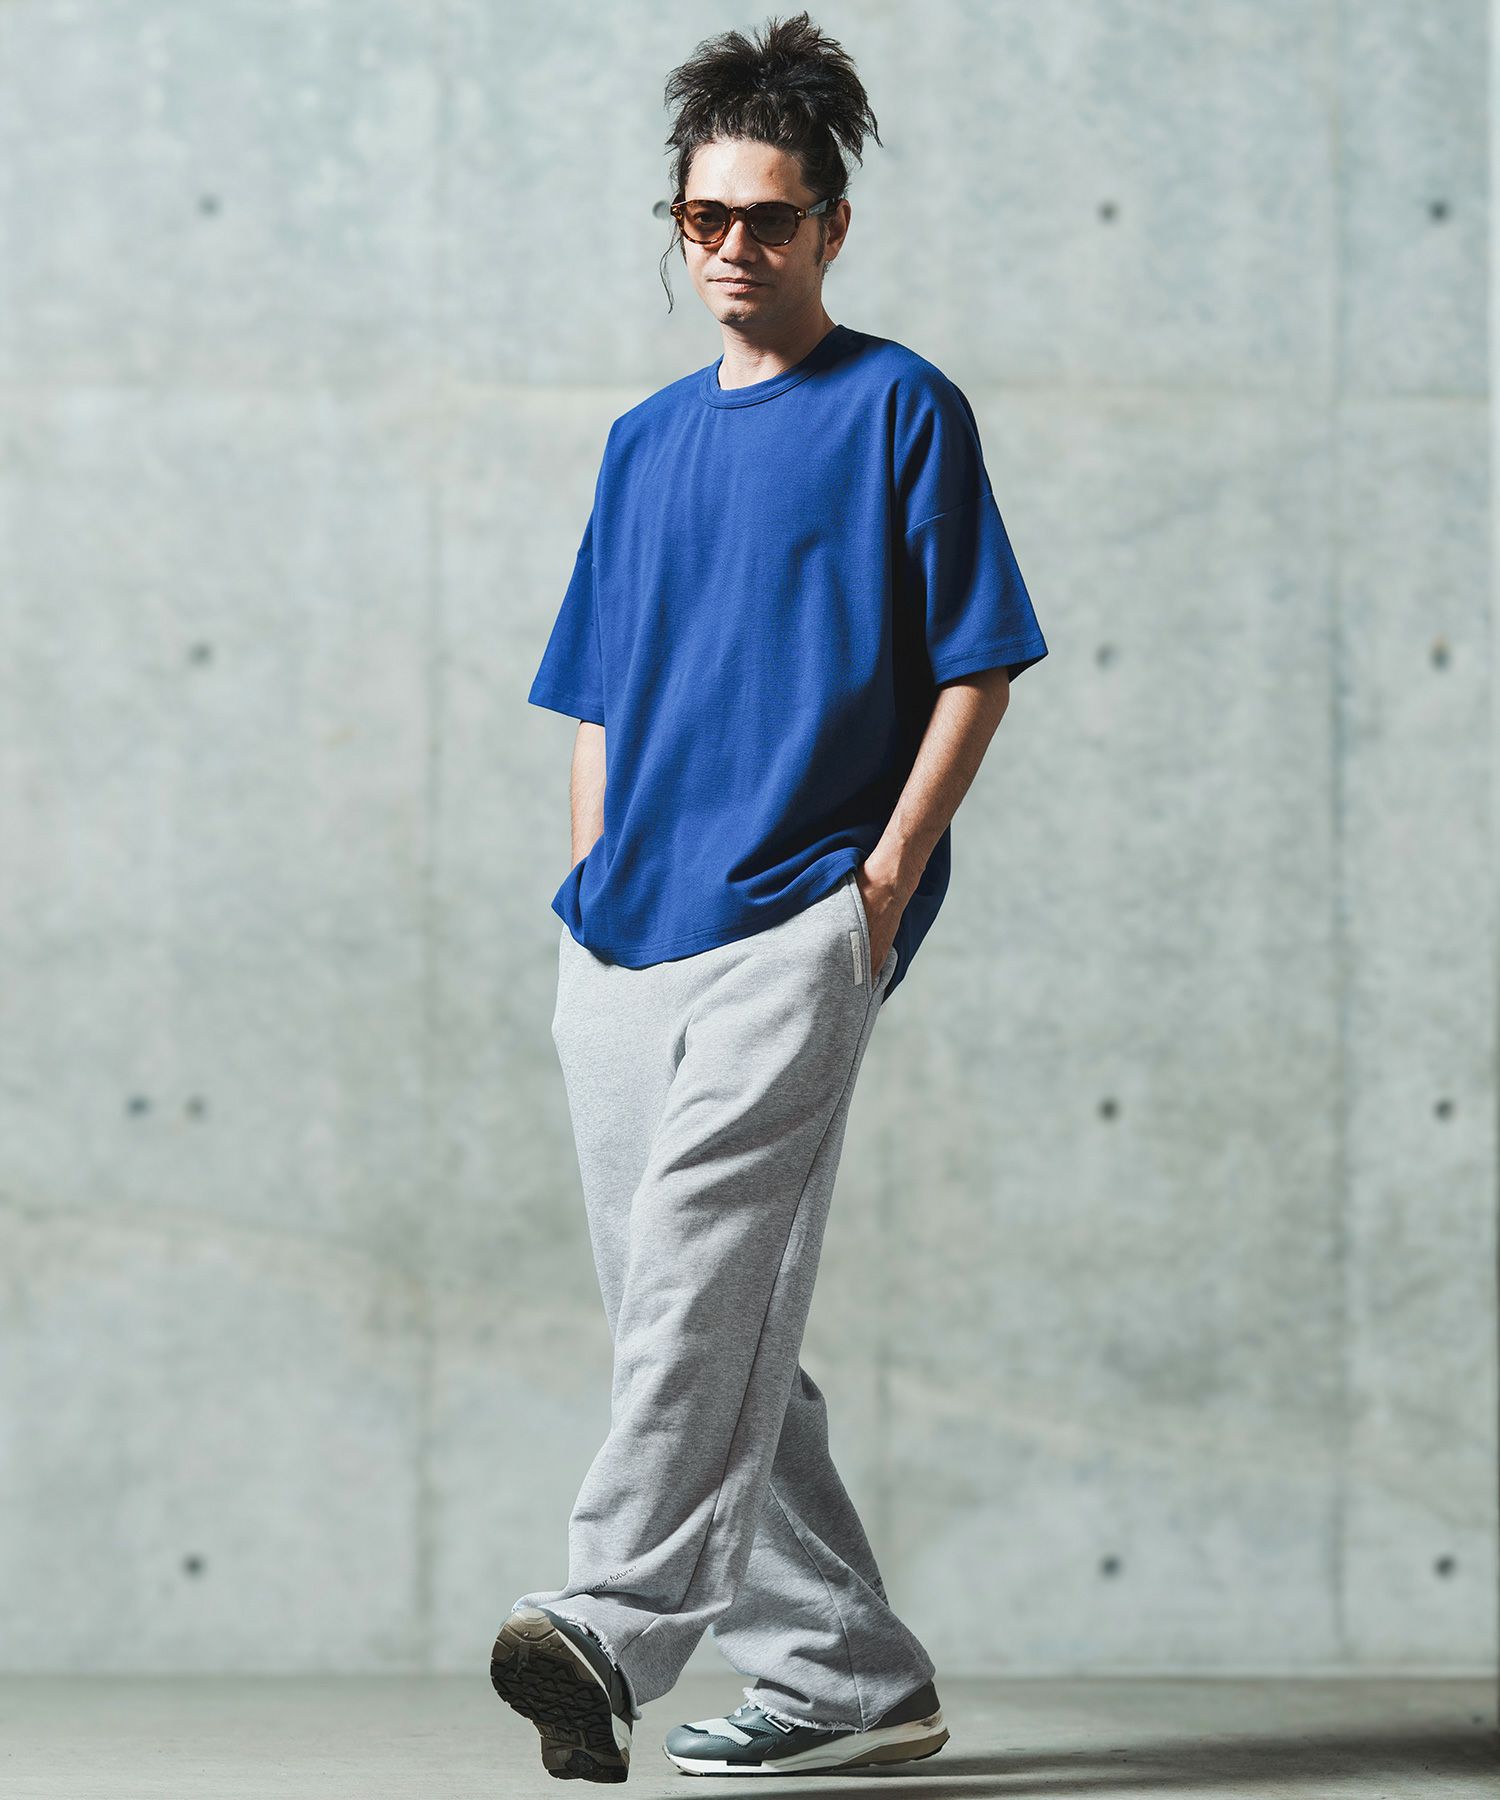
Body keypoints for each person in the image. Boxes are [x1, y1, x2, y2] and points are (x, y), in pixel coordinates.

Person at [490, 11, 1048, 1783]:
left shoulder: (899, 408)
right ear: (680, 225)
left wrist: (880, 888)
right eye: (705, 217)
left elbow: (977, 666)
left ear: (831, 227)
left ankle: (607, 1621)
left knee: (696, 1298)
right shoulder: (643, 442)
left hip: (798, 919)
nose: (734, 245)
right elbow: (596, 691)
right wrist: (589, 872)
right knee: (697, 1315)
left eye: (771, 217)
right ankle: (849, 1673)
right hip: (617, 933)